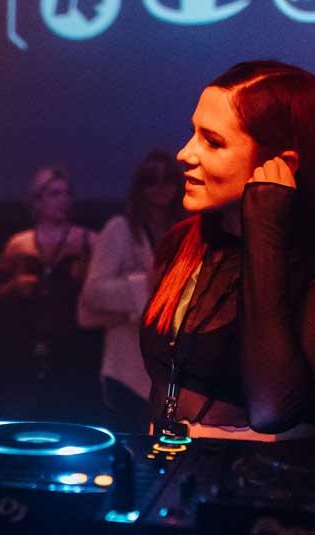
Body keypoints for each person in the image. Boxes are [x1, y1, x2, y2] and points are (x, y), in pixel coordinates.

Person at [140, 60, 315, 440]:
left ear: (282, 164)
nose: (185, 153)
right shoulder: (187, 244)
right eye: (193, 133)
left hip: (265, 488)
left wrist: (264, 231)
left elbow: (273, 408)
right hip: (171, 475)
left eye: (213, 142)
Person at [78, 150, 184, 431]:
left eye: (169, 179)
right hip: (126, 370)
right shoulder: (120, 229)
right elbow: (94, 292)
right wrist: (145, 284)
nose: (161, 187)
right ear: (140, 186)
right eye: (152, 180)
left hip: (168, 371)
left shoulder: (184, 230)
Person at [0, 167, 98, 422]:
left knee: (72, 413)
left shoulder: (88, 240)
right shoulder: (19, 243)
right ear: (37, 200)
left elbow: (100, 291)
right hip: (28, 339)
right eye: (54, 194)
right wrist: (17, 285)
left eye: (66, 194)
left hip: (75, 341)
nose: (63, 200)